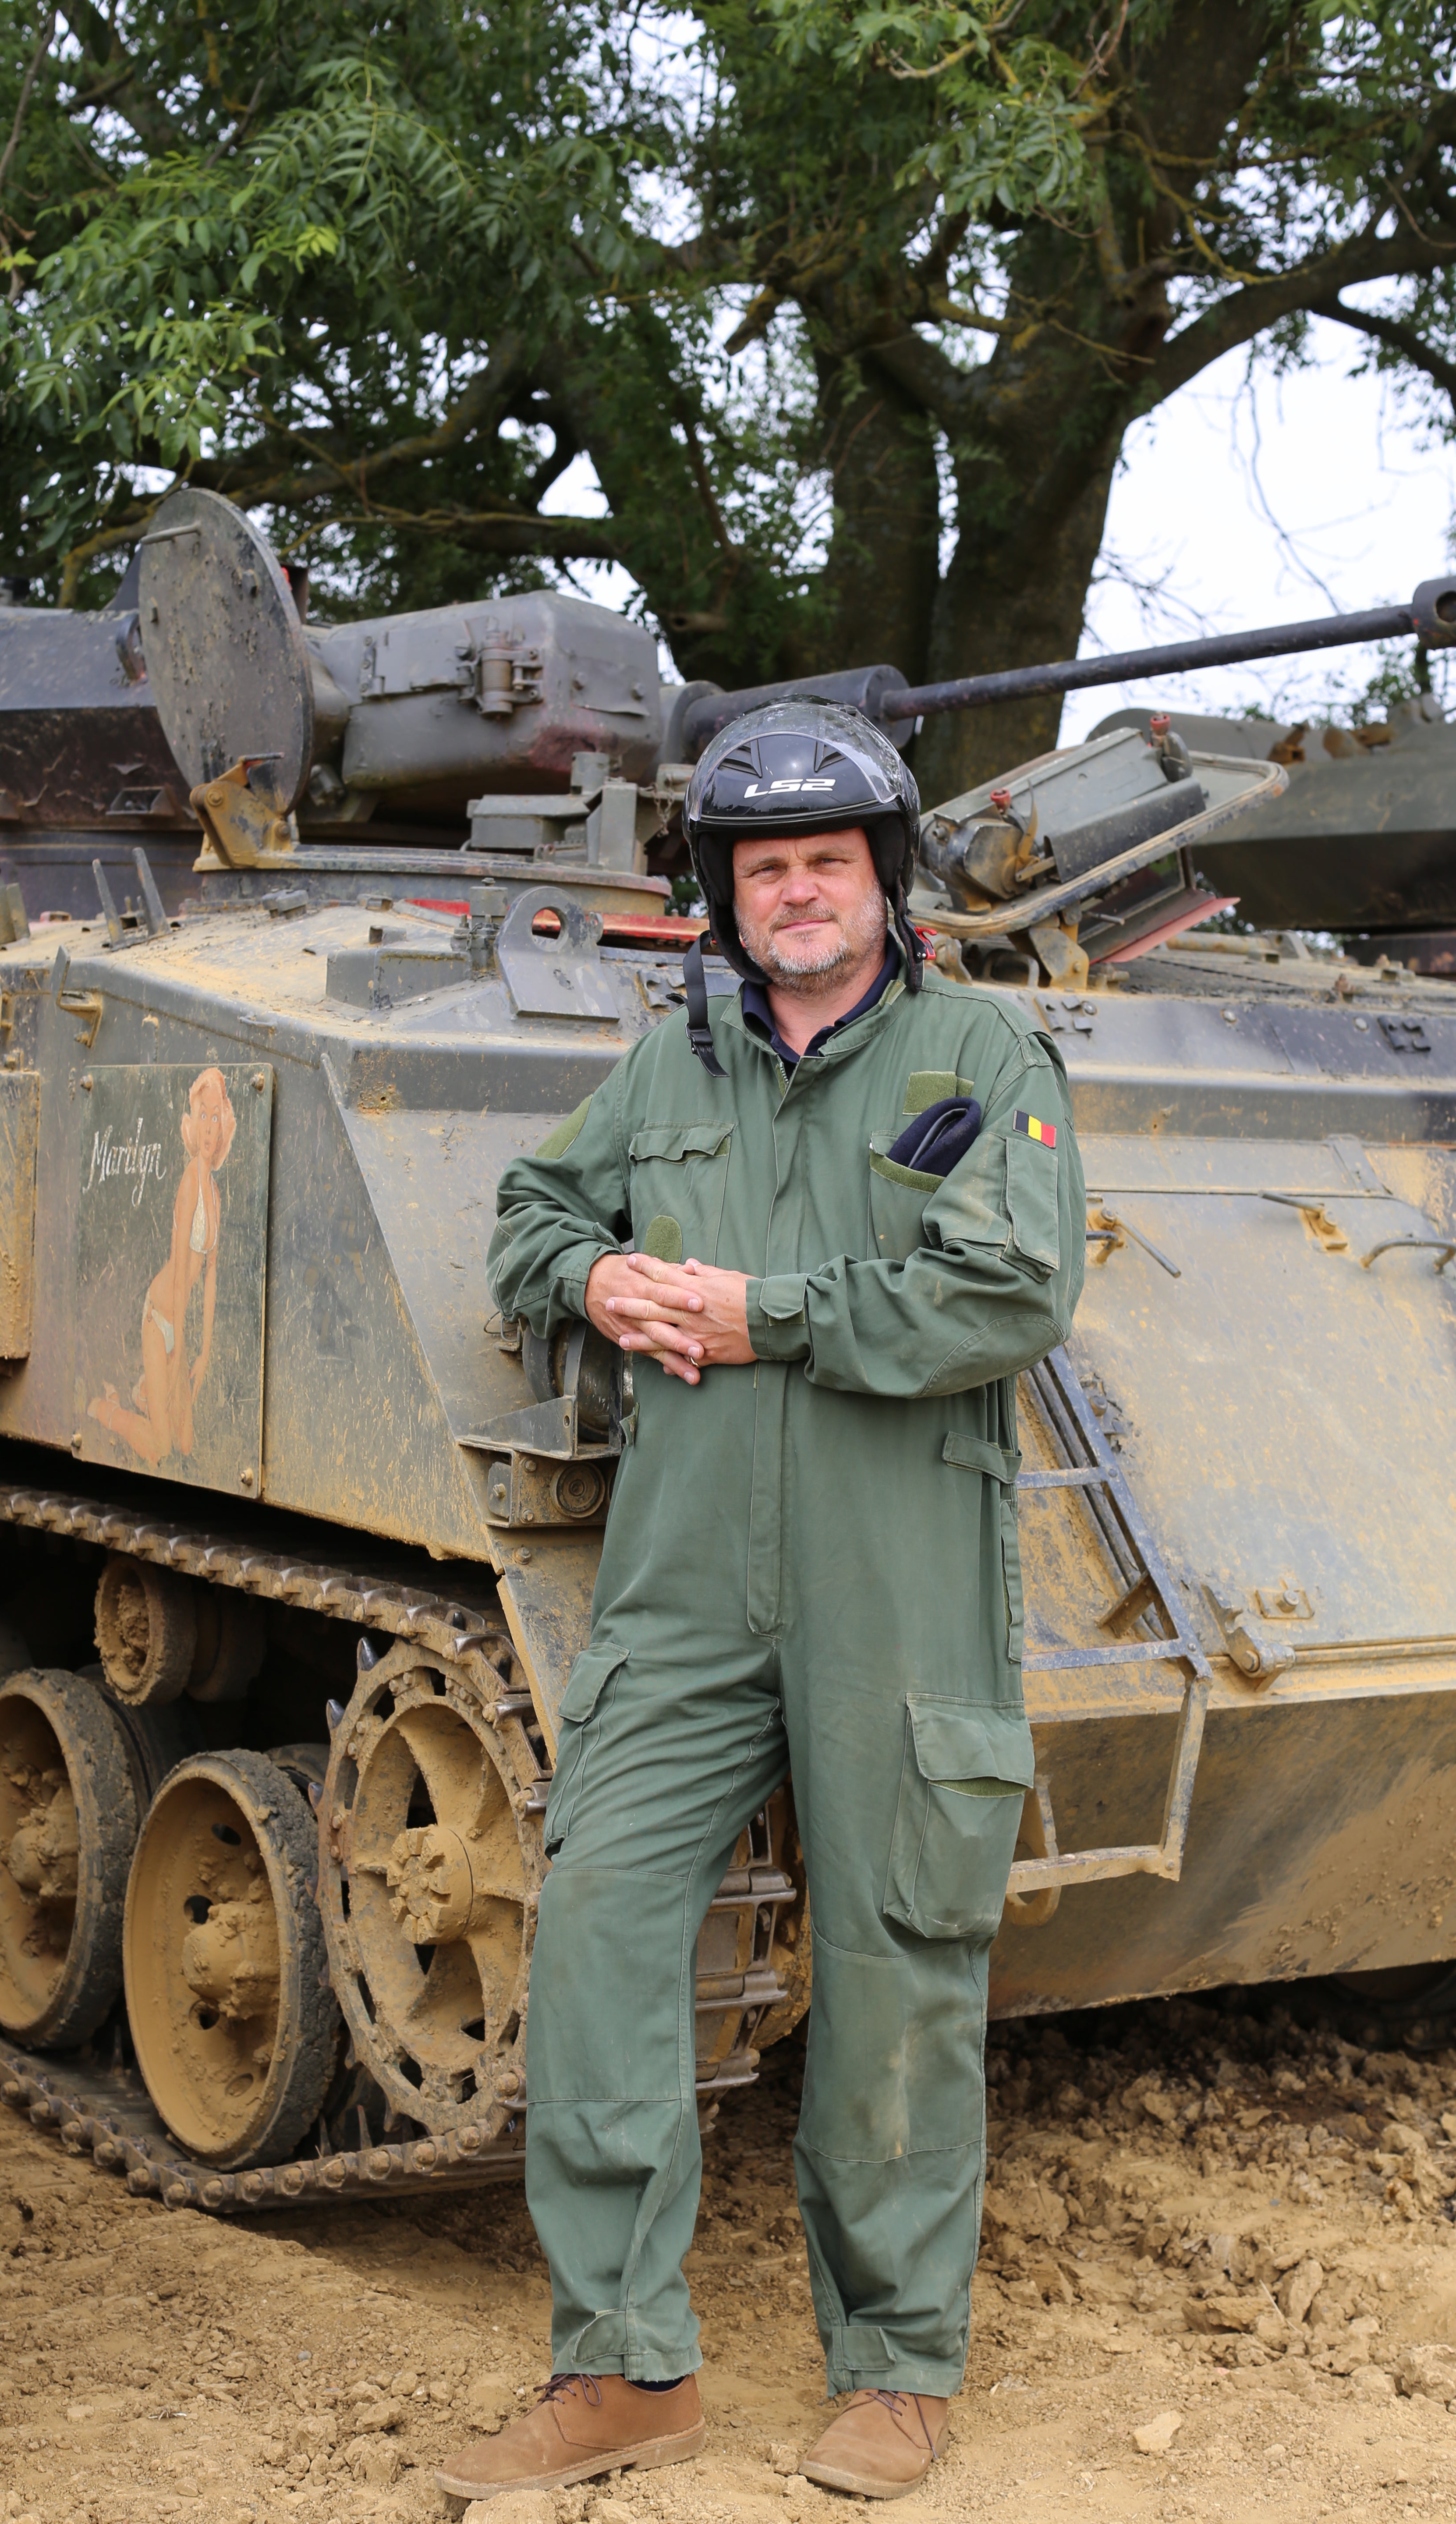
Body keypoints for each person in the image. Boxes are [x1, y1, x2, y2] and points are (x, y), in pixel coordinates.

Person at [440, 699, 1084, 2506]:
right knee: (603, 1935)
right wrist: (601, 1277)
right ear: (724, 896)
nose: (797, 892)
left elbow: (1008, 1296)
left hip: (903, 1581)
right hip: (684, 1586)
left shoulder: (980, 1057)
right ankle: (625, 2367)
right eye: (762, 867)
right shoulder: (674, 1064)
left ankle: (894, 2371)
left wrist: (757, 1314)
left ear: (885, 877)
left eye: (827, 860)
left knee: (897, 1966)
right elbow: (527, 1215)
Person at [88, 1065, 235, 1466]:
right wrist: (177, 1346)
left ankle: (145, 1395)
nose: (208, 1128)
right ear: (193, 1123)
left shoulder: (216, 1195)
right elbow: (182, 1261)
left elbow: (210, 1277)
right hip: (162, 1319)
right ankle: (111, 1411)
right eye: (202, 1116)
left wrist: (202, 1352)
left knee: (187, 1443)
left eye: (215, 1117)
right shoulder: (190, 1180)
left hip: (184, 1325)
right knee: (163, 1449)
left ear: (224, 1126)